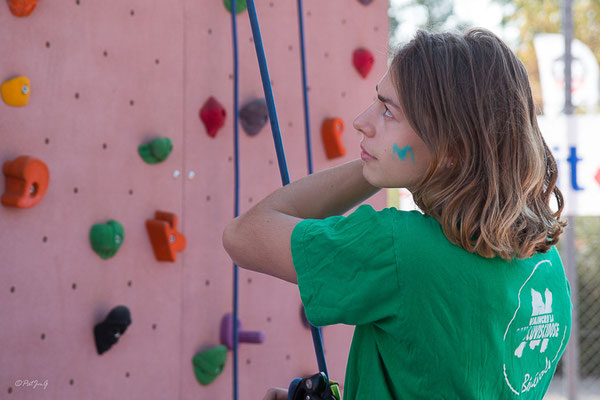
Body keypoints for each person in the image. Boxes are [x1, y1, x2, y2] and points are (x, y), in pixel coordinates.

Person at [222, 28, 572, 400]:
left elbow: (243, 235)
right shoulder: (545, 261)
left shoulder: (401, 249)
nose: (361, 121)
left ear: (451, 145)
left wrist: (376, 167)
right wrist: (395, 158)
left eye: (388, 112)